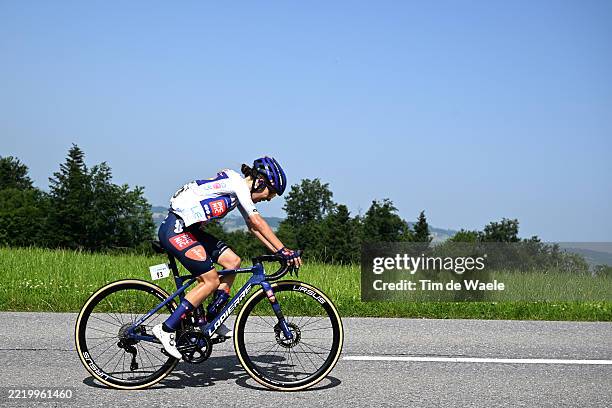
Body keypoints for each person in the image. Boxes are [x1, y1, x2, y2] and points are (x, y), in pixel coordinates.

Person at [152, 156, 302, 359]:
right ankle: (167, 328)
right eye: (271, 193)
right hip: (177, 229)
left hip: (190, 230)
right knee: (210, 280)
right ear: (260, 182)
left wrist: (278, 252)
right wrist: (285, 250)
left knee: (233, 262)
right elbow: (257, 222)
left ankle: (210, 320)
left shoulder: (237, 190)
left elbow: (252, 228)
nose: (269, 199)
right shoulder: (237, 185)